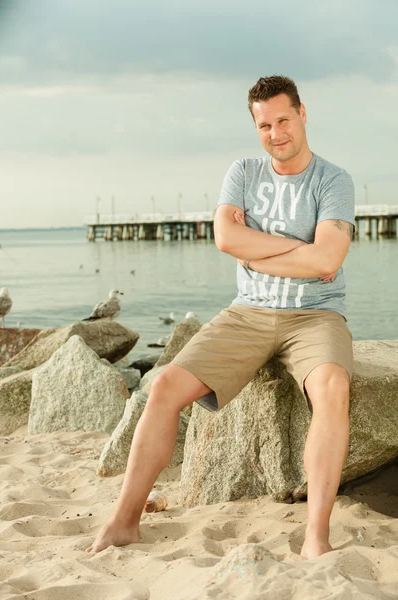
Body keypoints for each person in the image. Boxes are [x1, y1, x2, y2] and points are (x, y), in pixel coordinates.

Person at [88, 75, 355, 560]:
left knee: (333, 388)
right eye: (264, 125)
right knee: (165, 385)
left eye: (283, 120)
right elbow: (227, 240)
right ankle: (124, 521)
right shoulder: (244, 173)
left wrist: (261, 252)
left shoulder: (333, 180)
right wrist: (299, 250)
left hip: (314, 316)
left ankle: (316, 535)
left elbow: (328, 261)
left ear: (302, 113)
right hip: (247, 314)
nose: (276, 133)